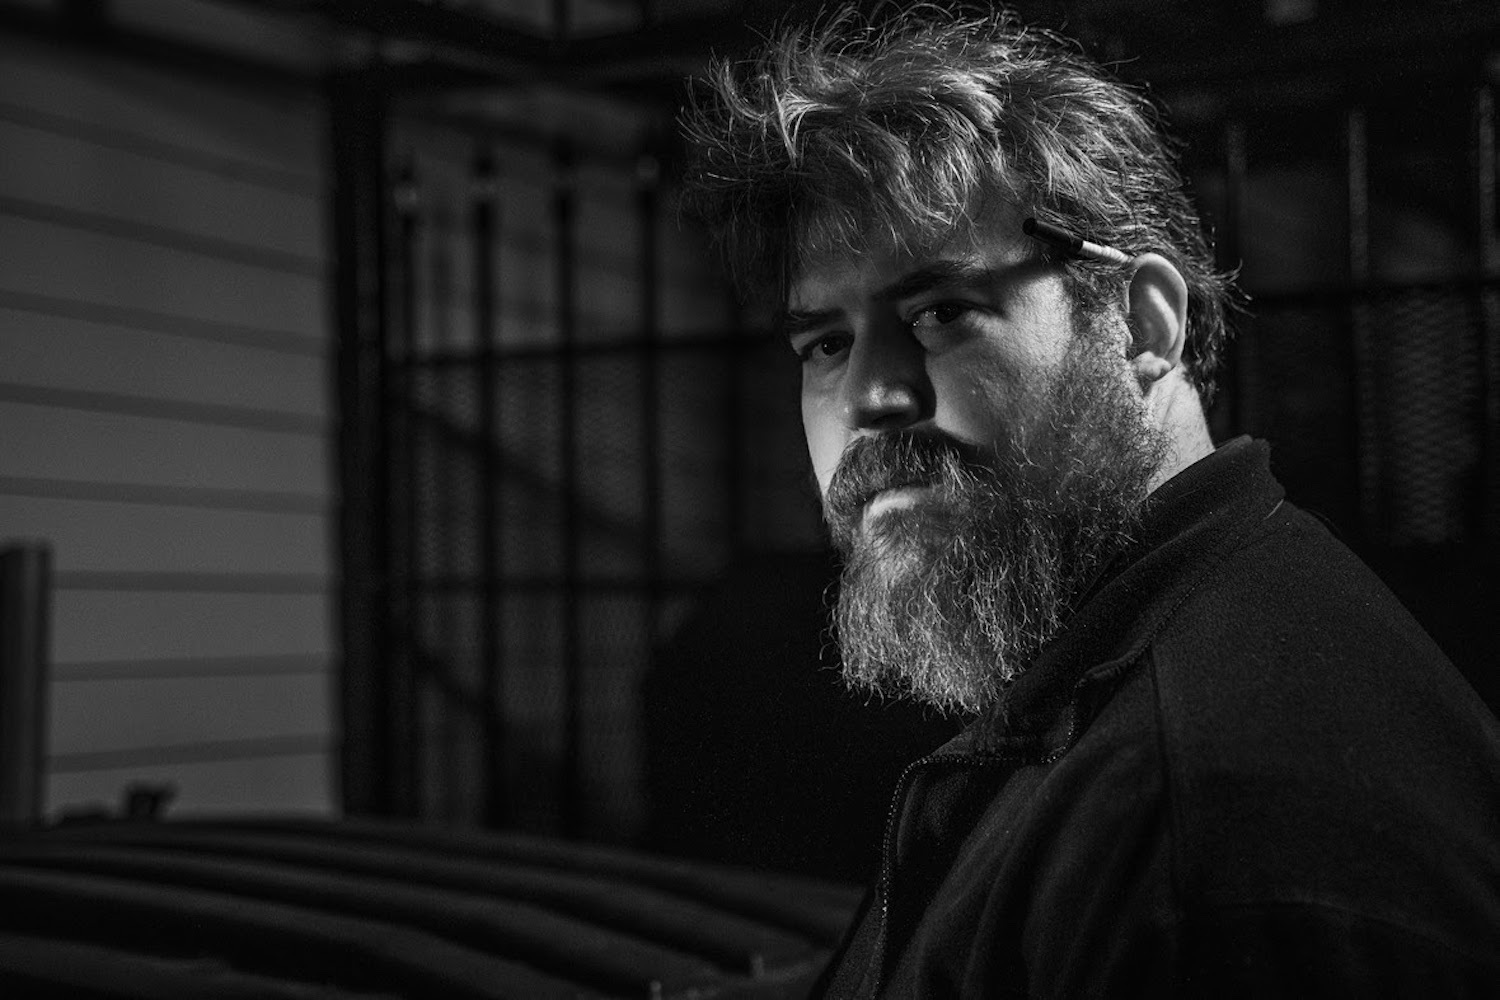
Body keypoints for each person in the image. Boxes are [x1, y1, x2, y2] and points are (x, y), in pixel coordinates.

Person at [678, 4, 1500, 996]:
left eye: (941, 312)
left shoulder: (1212, 823)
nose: (866, 398)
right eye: (826, 343)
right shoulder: (1138, 675)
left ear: (1143, 324)